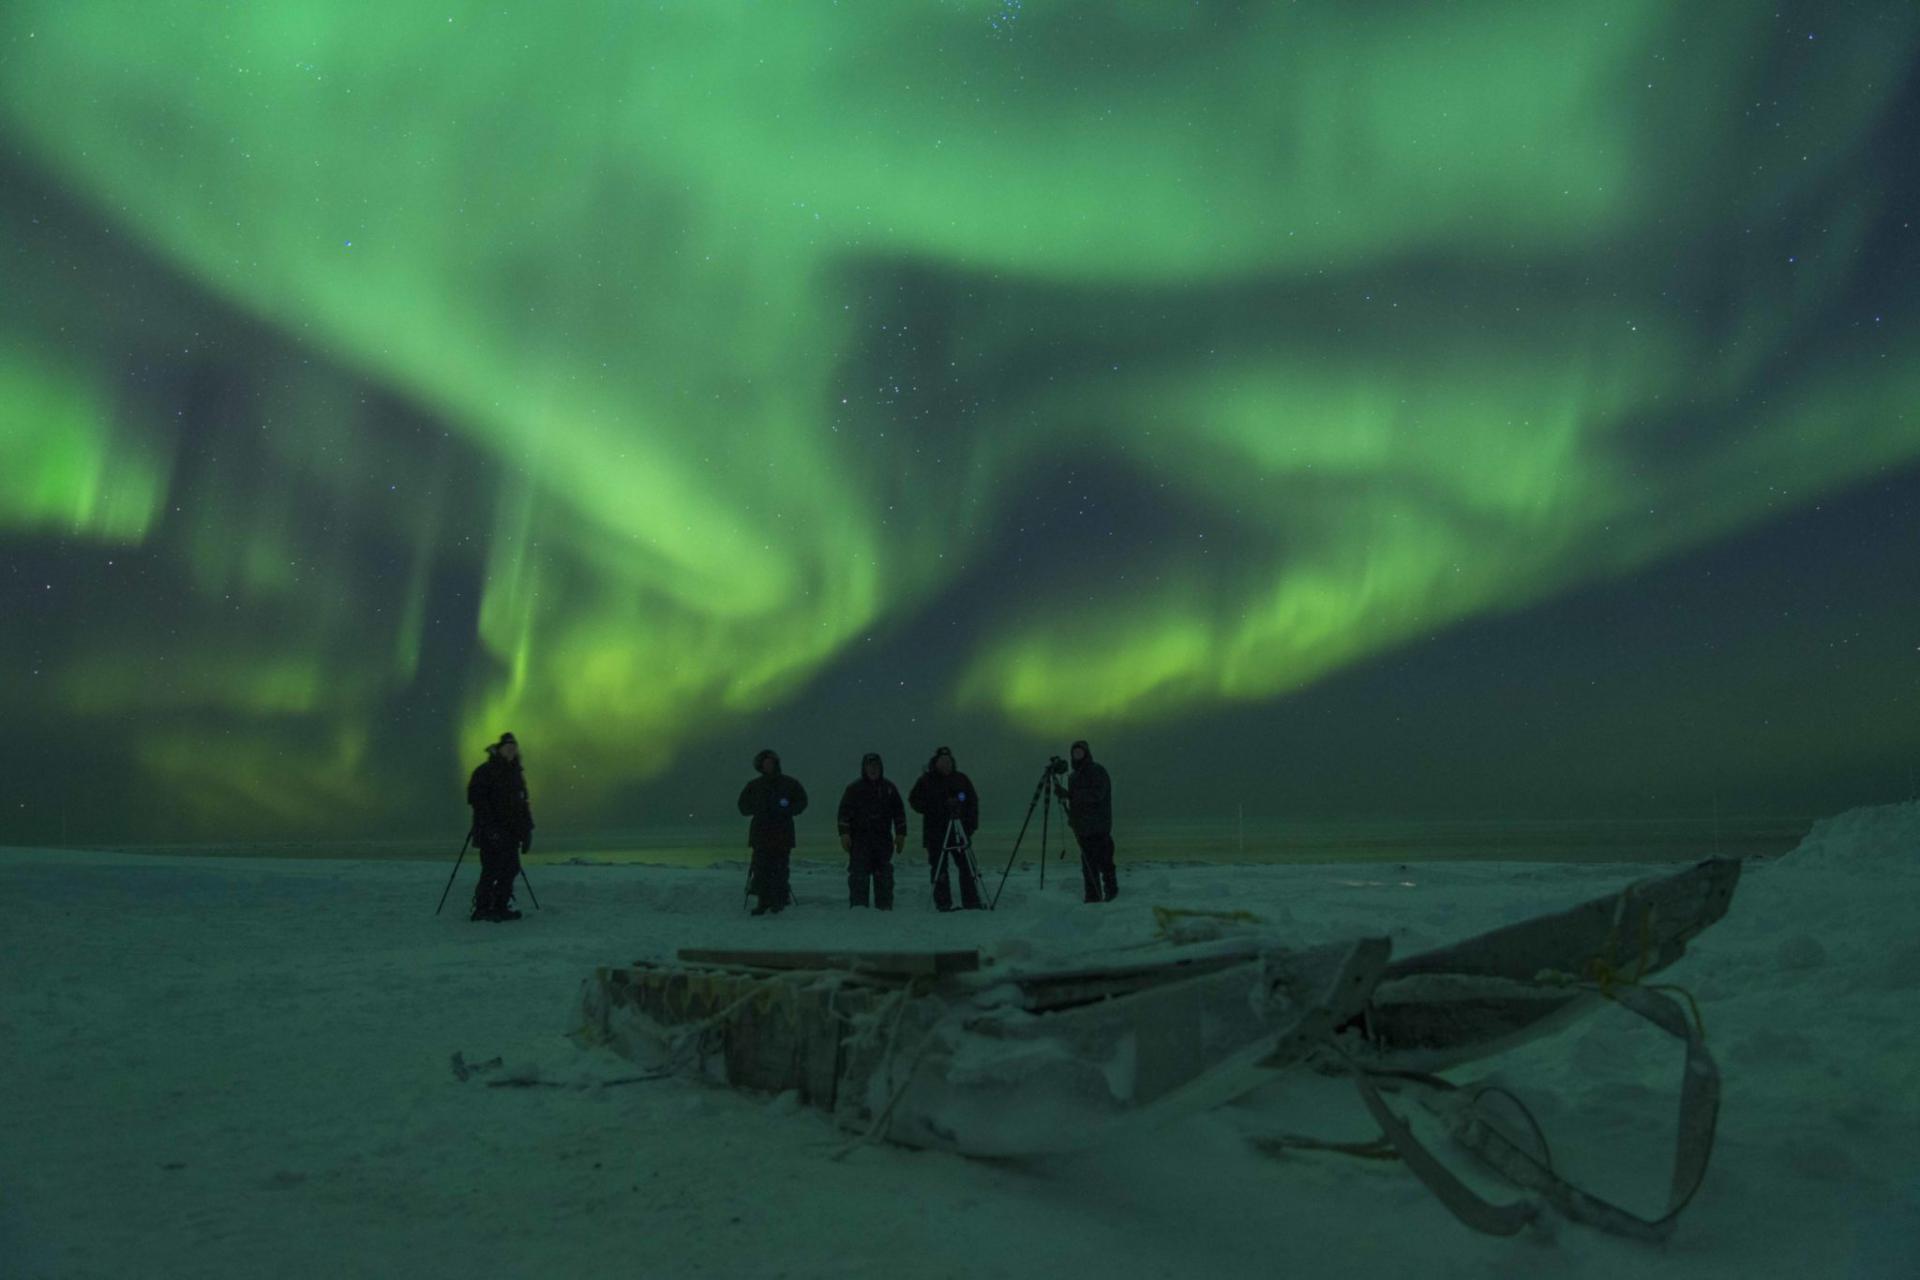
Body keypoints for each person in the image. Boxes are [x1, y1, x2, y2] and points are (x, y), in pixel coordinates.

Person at [466, 732, 534, 923]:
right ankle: (482, 908)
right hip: (491, 833)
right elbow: (477, 801)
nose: (511, 751)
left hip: (512, 833)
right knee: (491, 869)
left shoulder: (516, 775)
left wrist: (527, 830)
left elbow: (523, 804)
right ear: (499, 749)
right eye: (508, 747)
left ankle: (501, 906)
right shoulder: (485, 772)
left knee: (511, 868)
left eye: (514, 748)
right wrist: (490, 829)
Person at [908, 746, 983, 911]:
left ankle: (971, 902)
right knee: (939, 869)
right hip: (935, 832)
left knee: (967, 866)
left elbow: (972, 802)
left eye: (948, 762)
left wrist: (970, 826)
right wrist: (935, 806)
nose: (946, 765)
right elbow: (914, 800)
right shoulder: (926, 781)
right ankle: (943, 904)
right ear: (936, 763)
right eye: (942, 762)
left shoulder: (961, 779)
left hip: (959, 830)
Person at [738, 748, 808, 916]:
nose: (768, 766)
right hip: (761, 835)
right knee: (761, 869)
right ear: (760, 766)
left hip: (782, 834)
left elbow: (802, 802)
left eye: (771, 763)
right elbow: (743, 806)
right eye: (765, 763)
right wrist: (758, 808)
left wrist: (787, 810)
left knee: (780, 869)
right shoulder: (754, 786)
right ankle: (763, 901)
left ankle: (779, 900)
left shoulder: (789, 783)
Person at [837, 753, 908, 909]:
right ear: (864, 768)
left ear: (881, 768)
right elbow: (844, 814)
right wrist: (844, 834)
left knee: (884, 875)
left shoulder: (889, 788)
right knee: (859, 876)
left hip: (883, 839)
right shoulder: (854, 789)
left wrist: (901, 834)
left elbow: (899, 813)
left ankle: (884, 908)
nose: (873, 769)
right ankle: (859, 909)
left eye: (876, 766)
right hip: (860, 840)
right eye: (870, 766)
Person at [1054, 738, 1116, 902]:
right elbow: (1077, 801)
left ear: (1086, 753)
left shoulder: (1097, 771)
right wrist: (1067, 797)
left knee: (1105, 864)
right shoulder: (1073, 776)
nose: (1077, 755)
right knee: (1088, 867)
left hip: (1099, 827)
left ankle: (1112, 894)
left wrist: (1071, 795)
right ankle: (1092, 897)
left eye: (1080, 752)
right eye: (1074, 753)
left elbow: (1097, 795)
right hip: (1083, 829)